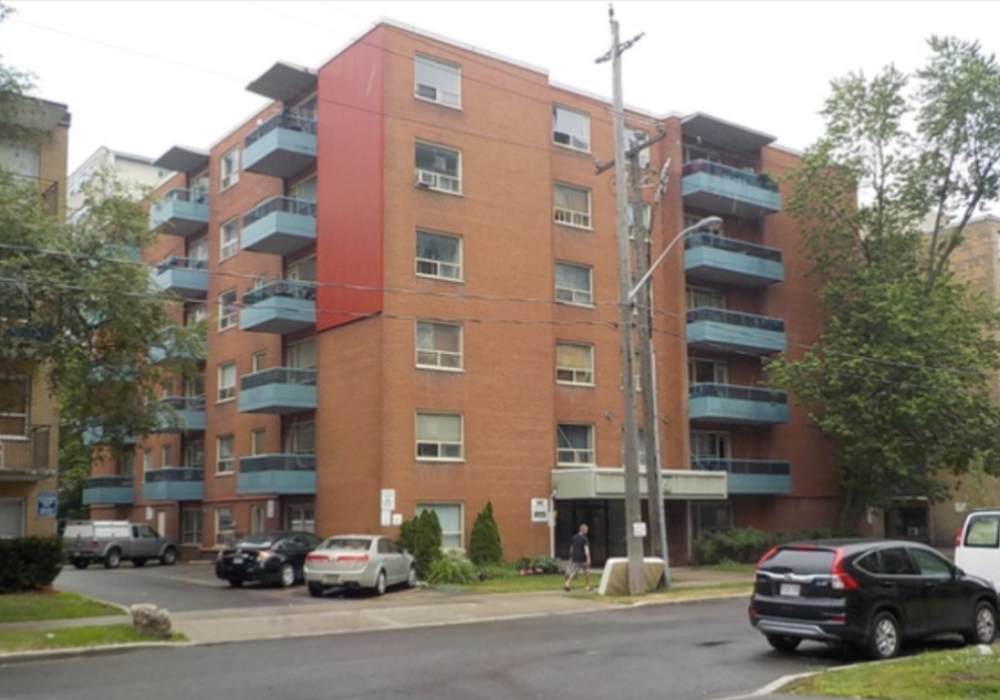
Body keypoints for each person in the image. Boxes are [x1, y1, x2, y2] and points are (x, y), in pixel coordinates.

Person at [564, 524, 592, 591]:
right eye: (586, 530)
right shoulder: (585, 539)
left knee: (574, 571)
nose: (587, 531)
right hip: (583, 558)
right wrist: (588, 557)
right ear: (584, 530)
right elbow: (586, 548)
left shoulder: (574, 538)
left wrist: (571, 556)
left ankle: (567, 583)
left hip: (575, 557)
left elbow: (572, 548)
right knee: (587, 571)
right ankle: (587, 586)